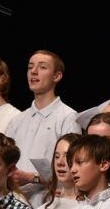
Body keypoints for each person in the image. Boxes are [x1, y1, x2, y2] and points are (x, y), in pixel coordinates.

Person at [5, 50, 80, 189]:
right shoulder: (17, 120)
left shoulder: (68, 117)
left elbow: (73, 168)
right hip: (16, 198)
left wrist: (31, 178)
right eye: (30, 67)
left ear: (57, 76)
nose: (33, 71)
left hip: (49, 198)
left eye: (42, 67)